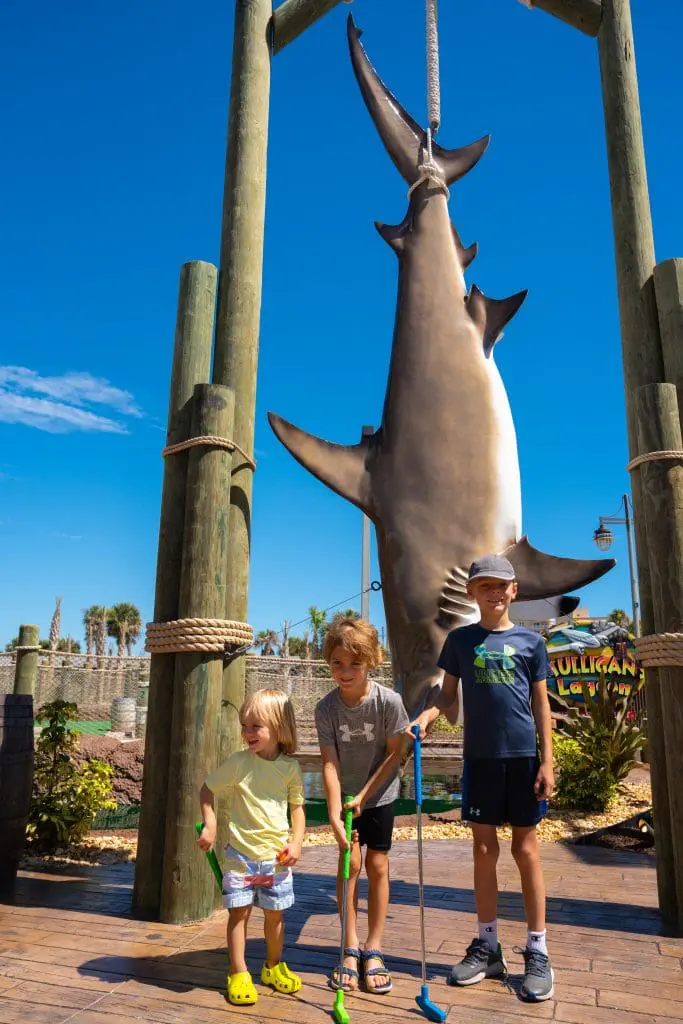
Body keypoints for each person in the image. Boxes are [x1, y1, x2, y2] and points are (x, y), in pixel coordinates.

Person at [411, 554, 555, 1002]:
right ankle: (488, 946)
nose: (493, 592)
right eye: (484, 586)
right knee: (483, 848)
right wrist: (428, 716)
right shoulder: (459, 641)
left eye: (501, 585)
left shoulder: (531, 644)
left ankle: (538, 948)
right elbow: (447, 695)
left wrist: (547, 761)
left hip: (523, 760)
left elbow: (541, 706)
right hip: (480, 759)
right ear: (471, 593)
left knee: (525, 848)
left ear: (514, 591)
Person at [315, 617, 409, 995]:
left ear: (372, 660)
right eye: (337, 663)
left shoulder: (389, 702)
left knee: (377, 865)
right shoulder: (326, 709)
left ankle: (375, 947)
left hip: (380, 794)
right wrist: (336, 813)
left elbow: (394, 756)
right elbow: (329, 762)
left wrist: (365, 796)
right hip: (346, 798)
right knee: (348, 866)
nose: (345, 671)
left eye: (355, 663)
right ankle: (350, 946)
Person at [198, 688, 306, 1007]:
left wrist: (296, 842)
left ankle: (272, 967)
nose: (247, 733)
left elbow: (297, 809)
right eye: (244, 725)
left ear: (278, 727)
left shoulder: (290, 768)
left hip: (276, 861)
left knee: (275, 917)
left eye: (255, 726)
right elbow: (207, 790)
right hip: (242, 859)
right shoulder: (238, 763)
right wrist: (211, 824)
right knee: (239, 915)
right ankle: (238, 972)